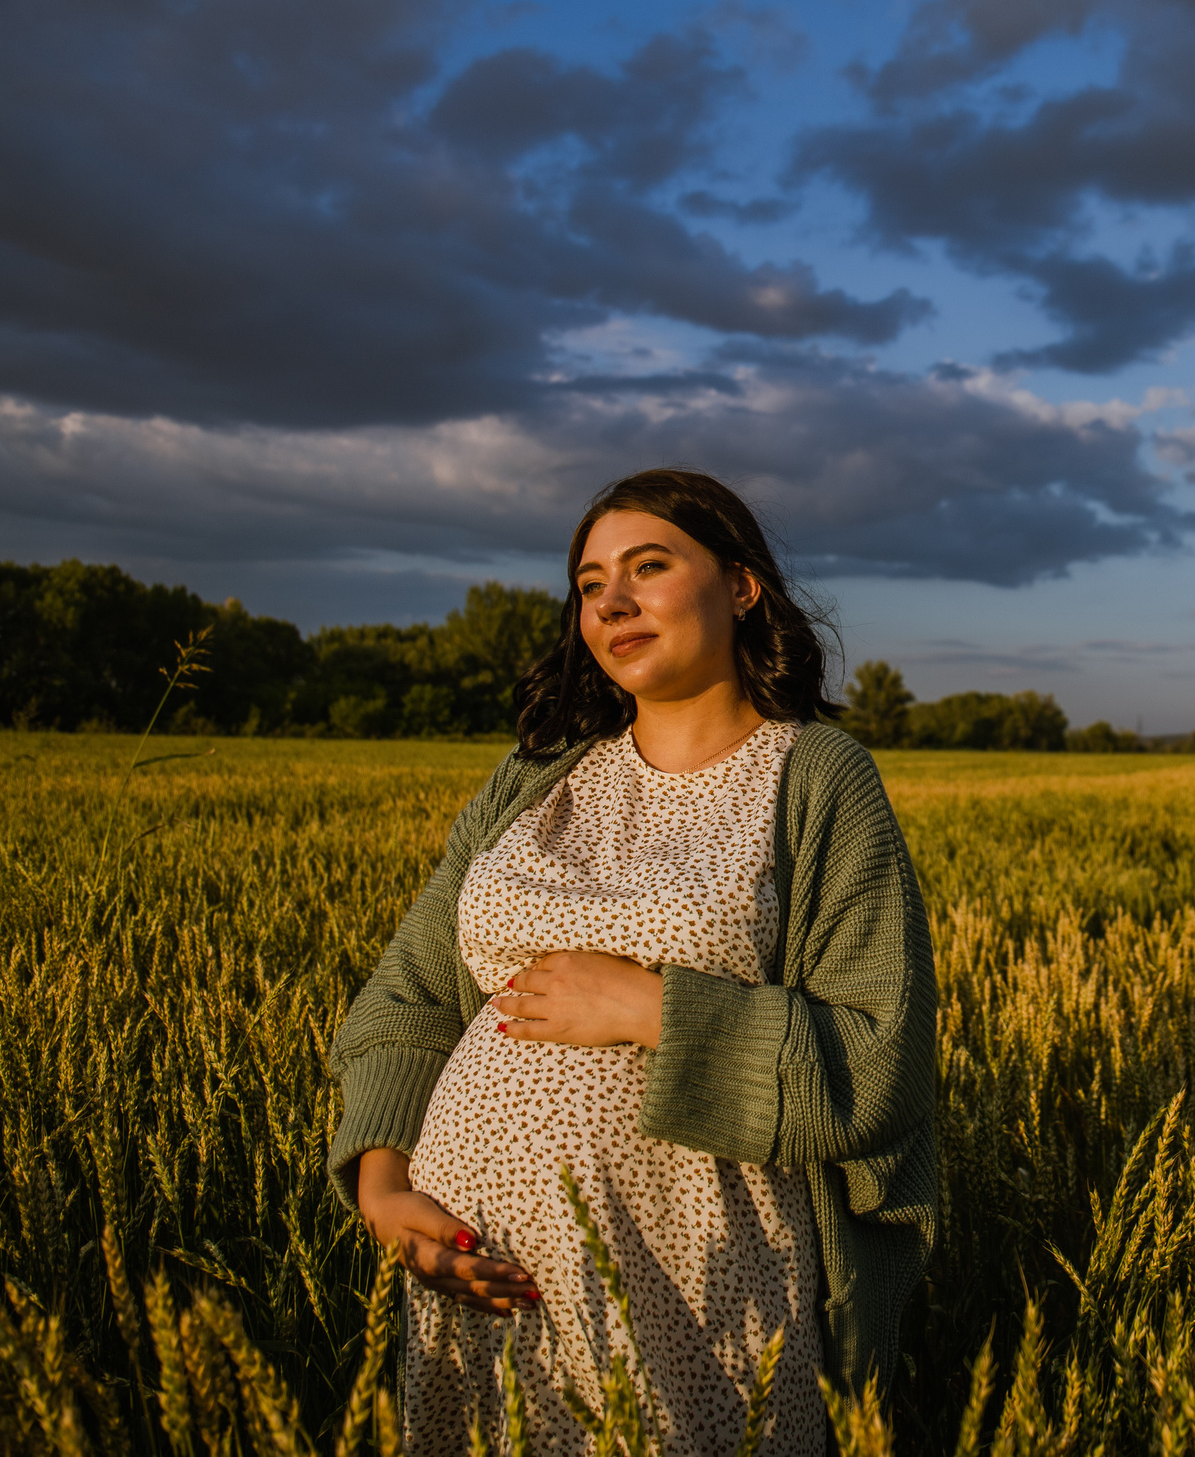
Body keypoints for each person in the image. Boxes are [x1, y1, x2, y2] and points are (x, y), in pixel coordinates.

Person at [325, 469, 938, 1456]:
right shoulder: (539, 774)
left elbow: (878, 1060)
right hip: (473, 1267)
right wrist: (387, 1187)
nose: (611, 601)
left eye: (648, 567)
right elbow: (411, 991)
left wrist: (654, 1010)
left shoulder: (815, 774)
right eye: (589, 582)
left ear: (741, 586)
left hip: (700, 1279)